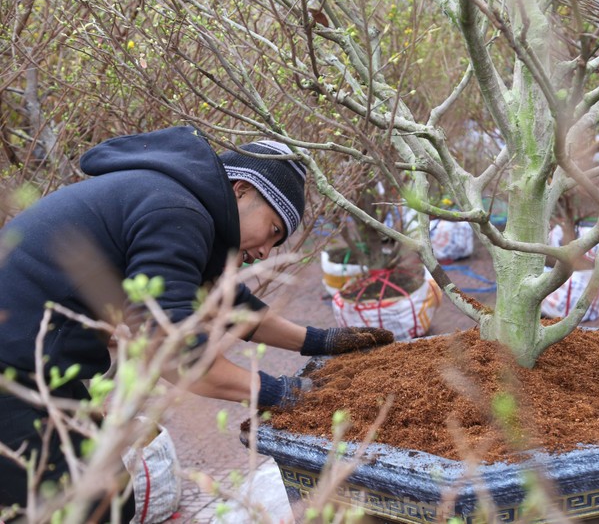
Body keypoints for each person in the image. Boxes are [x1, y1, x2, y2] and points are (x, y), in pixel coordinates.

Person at [0, 126, 394, 521]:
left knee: (105, 499)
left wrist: (321, 341)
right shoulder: (176, 211)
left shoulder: (174, 202)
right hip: (12, 373)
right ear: (241, 190)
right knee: (80, 508)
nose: (263, 252)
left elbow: (223, 304)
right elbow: (174, 354)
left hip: (30, 367)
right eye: (273, 232)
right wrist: (284, 393)